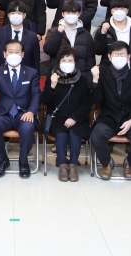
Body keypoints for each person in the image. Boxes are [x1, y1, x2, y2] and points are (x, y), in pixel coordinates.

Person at [89, 41, 131, 180]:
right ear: (109, 57)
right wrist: (95, 80)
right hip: (108, 118)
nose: (119, 57)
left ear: (128, 56)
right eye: (116, 54)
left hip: (129, 118)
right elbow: (96, 99)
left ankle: (130, 163)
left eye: (122, 54)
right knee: (96, 135)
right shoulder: (102, 74)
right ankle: (107, 163)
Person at [0, 40, 41, 179]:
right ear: (4, 54)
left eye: (17, 52)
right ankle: (3, 160)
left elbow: (36, 95)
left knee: (28, 128)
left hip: (23, 113)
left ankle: (23, 162)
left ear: (22, 54)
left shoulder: (31, 72)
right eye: (10, 52)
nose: (13, 54)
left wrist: (31, 112)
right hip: (4, 114)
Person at [40, 46, 91, 182]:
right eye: (64, 60)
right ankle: (62, 165)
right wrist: (52, 86)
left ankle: (73, 165)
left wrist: (74, 118)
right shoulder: (52, 78)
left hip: (77, 119)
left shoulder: (82, 80)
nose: (66, 63)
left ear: (75, 62)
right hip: (57, 119)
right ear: (59, 62)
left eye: (70, 60)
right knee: (61, 134)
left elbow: (86, 104)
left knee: (75, 133)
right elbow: (45, 101)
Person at [94, 0, 131, 85]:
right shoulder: (105, 28)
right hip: (109, 76)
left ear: (127, 10)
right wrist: (102, 33)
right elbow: (98, 51)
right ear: (111, 11)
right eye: (116, 8)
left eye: (122, 8)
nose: (119, 11)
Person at [43, 0, 95, 83]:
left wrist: (88, 82)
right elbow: (48, 50)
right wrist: (58, 33)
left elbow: (90, 61)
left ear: (79, 14)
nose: (71, 15)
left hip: (80, 79)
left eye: (74, 13)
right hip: (58, 78)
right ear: (63, 14)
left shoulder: (86, 35)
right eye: (68, 13)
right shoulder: (53, 31)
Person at [0, 1, 41, 71]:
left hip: (24, 74)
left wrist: (35, 77)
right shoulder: (1, 31)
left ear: (24, 15)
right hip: (2, 73)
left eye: (19, 13)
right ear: (8, 15)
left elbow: (36, 61)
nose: (15, 16)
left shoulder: (32, 36)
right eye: (12, 13)